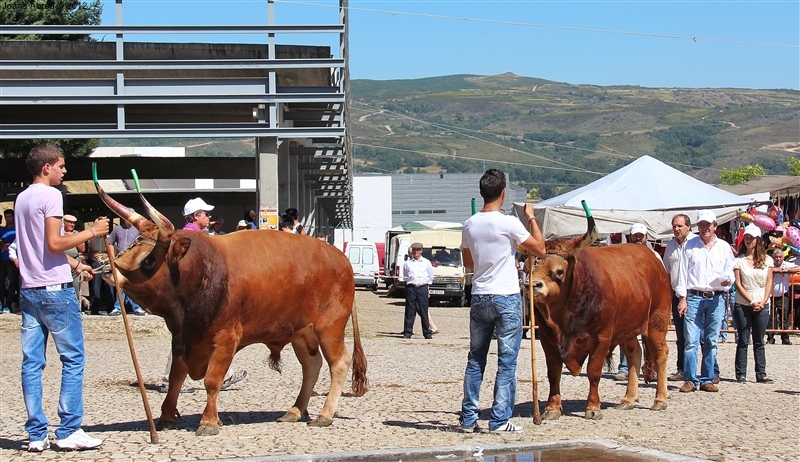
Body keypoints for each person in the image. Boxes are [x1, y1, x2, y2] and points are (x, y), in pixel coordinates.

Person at [16, 142, 109, 451]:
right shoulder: (51, 195)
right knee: (72, 359)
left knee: (32, 363)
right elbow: (55, 243)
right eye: (61, 166)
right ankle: (69, 430)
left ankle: (36, 435)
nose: (64, 171)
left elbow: (39, 246)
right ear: (47, 168)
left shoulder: (22, 198)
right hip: (55, 291)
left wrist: (76, 263)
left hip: (29, 289)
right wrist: (92, 232)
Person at [458, 169, 546, 434]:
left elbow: (469, 263)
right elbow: (540, 248)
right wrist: (531, 218)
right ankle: (498, 420)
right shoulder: (509, 223)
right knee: (507, 361)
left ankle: (468, 418)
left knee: (476, 359)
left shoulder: (469, 224)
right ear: (503, 192)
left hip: (480, 294)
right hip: (505, 296)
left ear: (482, 192)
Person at [159, 198, 247, 392]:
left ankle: (223, 374)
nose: (209, 217)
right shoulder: (189, 237)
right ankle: (169, 378)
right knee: (184, 338)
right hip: (191, 300)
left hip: (200, 299)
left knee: (210, 335)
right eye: (205, 214)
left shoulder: (197, 235)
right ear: (195, 216)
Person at [675, 210, 735, 393]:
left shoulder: (724, 247)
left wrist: (728, 281)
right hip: (693, 296)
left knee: (711, 340)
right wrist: (682, 298)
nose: (704, 228)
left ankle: (707, 378)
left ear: (715, 226)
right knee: (690, 340)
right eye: (701, 225)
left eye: (707, 225)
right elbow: (682, 274)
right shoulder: (689, 246)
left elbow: (730, 270)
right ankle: (690, 379)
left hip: (716, 297)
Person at [732, 224, 775, 383]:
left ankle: (761, 373)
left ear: (757, 240)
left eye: (751, 238)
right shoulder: (739, 261)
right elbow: (738, 283)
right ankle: (741, 373)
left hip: (762, 301)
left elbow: (770, 281)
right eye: (747, 238)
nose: (749, 241)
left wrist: (763, 301)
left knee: (759, 340)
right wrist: (750, 301)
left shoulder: (767, 260)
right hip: (744, 303)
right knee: (743, 339)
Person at [615, 222, 658, 380]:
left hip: (649, 301)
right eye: (636, 236)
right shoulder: (622, 257)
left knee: (652, 337)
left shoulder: (655, 256)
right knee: (625, 335)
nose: (638, 239)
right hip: (630, 301)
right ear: (630, 237)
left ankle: (650, 367)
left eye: (641, 236)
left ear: (646, 237)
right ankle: (625, 367)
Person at [662, 214, 697, 382]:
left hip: (694, 293)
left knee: (701, 336)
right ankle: (682, 369)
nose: (676, 229)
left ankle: (711, 371)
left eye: (679, 226)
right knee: (681, 336)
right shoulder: (670, 245)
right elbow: (667, 272)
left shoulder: (696, 243)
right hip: (677, 294)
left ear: (688, 226)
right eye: (674, 225)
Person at [107, 214, 145, 316]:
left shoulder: (138, 230)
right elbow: (110, 242)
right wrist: (112, 257)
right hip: (120, 260)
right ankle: (118, 307)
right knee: (120, 284)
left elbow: (142, 244)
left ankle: (137, 307)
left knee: (133, 284)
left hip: (133, 261)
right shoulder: (117, 229)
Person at [767, 248, 799, 345]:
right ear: (773, 258)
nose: (778, 259)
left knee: (784, 317)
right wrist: (774, 270)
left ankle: (785, 338)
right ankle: (770, 338)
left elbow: (798, 267)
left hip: (783, 294)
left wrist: (788, 270)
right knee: (771, 317)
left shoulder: (786, 264)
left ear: (783, 257)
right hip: (770, 294)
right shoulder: (770, 264)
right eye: (776, 257)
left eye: (780, 257)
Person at [402, 242, 435, 339]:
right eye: (414, 250)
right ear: (412, 251)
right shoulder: (407, 263)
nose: (416, 252)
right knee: (409, 310)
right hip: (411, 287)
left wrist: (427, 288)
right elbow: (405, 276)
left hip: (423, 288)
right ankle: (408, 332)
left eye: (418, 250)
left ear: (421, 251)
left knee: (424, 310)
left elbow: (431, 276)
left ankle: (426, 333)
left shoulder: (426, 262)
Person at [62, 215, 86, 307]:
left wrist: (75, 238)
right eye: (70, 223)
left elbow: (83, 249)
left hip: (75, 264)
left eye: (73, 223)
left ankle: (75, 306)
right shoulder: (59, 233)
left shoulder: (77, 234)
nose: (72, 225)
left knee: (75, 286)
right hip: (62, 262)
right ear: (64, 223)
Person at [1, 208, 19, 313]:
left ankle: (9, 303)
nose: (8, 219)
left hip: (12, 259)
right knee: (1, 283)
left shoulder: (17, 230)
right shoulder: (2, 230)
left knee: (12, 283)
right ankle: (1, 303)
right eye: (6, 217)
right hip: (2, 258)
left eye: (9, 216)